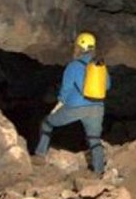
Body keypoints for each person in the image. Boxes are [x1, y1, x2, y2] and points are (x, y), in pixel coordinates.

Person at [34, 31, 110, 174]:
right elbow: (107, 86)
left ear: (78, 48)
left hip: (76, 107)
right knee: (94, 139)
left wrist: (61, 102)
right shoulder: (100, 66)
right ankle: (99, 172)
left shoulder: (74, 66)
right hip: (97, 108)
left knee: (47, 123)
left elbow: (66, 89)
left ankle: (40, 155)